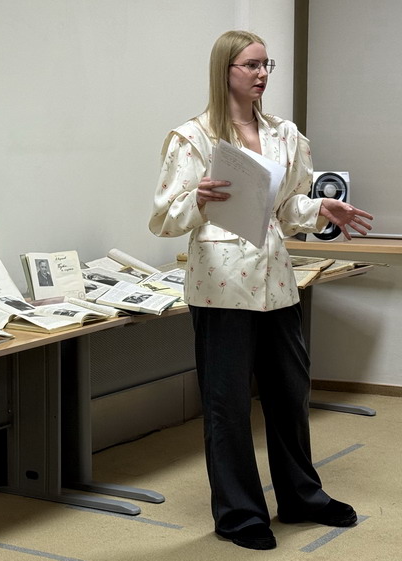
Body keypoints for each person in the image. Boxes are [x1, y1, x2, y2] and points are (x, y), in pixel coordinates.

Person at [149, 30, 373, 551]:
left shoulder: (284, 134)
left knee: (290, 395)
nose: (262, 74)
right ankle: (239, 514)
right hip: (220, 286)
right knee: (227, 406)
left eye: (266, 65)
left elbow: (287, 208)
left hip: (276, 282)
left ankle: (302, 498)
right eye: (250, 65)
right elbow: (163, 218)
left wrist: (319, 208)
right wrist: (198, 199)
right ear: (224, 69)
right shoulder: (192, 138)